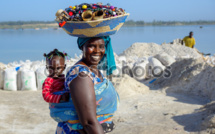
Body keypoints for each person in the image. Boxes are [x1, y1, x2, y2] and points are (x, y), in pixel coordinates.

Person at [50, 36, 119, 134]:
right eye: (91, 46)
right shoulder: (81, 74)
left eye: (101, 46)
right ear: (82, 47)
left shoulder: (94, 70)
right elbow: (89, 122)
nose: (97, 51)